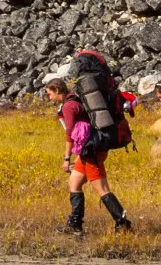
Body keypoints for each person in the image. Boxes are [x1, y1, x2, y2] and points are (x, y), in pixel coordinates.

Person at [47, 57, 133, 234]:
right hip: (92, 148)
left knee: (101, 188)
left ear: (57, 90)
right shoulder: (78, 100)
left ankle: (123, 223)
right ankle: (75, 224)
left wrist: (66, 158)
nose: (49, 97)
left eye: (50, 93)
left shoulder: (69, 106)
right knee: (74, 183)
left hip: (91, 151)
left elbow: (69, 133)